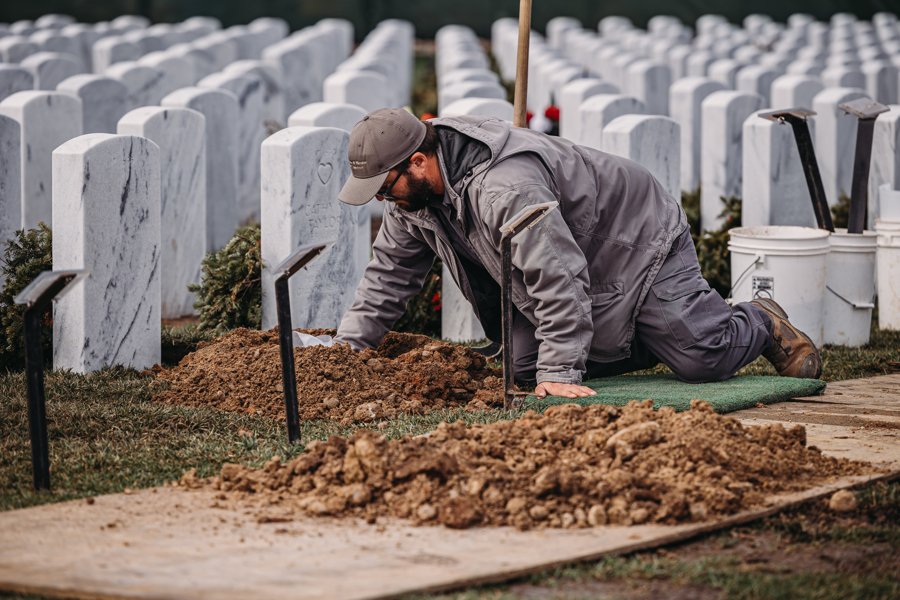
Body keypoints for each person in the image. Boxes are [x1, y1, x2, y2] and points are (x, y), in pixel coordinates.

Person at [334, 108, 822, 399]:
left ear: (418, 161)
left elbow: (559, 274)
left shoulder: (506, 189)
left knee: (701, 358)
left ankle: (758, 321)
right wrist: (347, 352)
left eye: (384, 186)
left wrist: (562, 371)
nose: (381, 199)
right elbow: (389, 276)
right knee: (523, 373)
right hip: (574, 257)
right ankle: (646, 332)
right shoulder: (412, 198)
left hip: (633, 240)